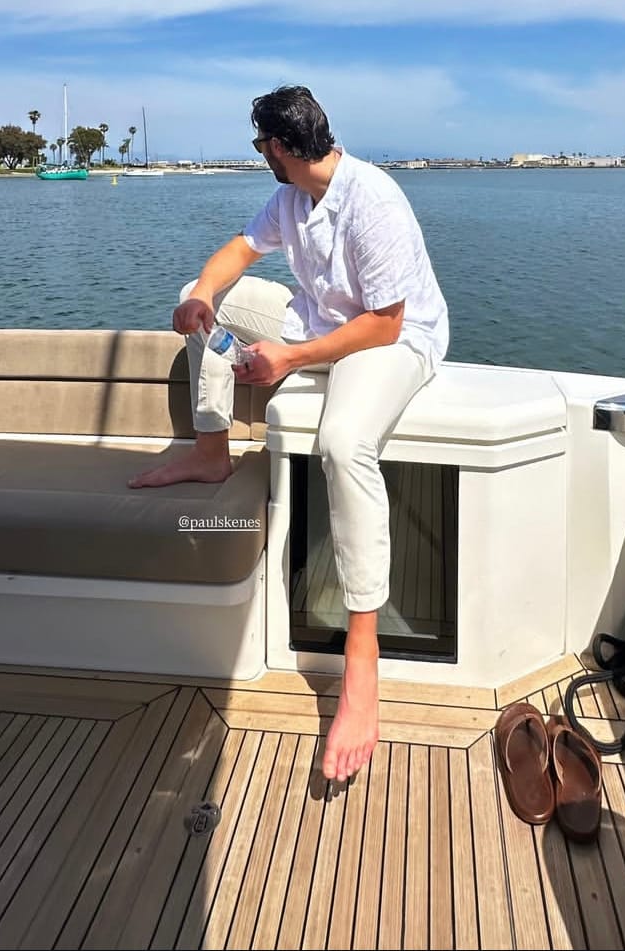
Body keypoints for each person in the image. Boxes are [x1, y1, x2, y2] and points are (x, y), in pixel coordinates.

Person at [130, 85, 449, 783]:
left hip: (394, 339)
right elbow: (236, 253)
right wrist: (199, 297)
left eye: (258, 146)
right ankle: (211, 453)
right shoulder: (289, 200)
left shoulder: (375, 199)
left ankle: (362, 658)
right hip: (318, 320)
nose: (260, 157)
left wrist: (287, 360)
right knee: (200, 297)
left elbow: (387, 323)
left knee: (343, 443)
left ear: (279, 146)